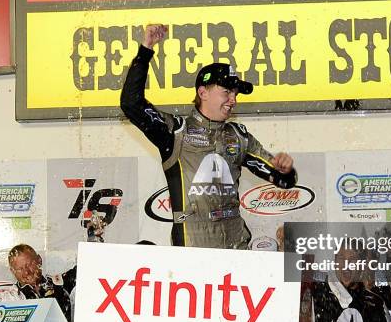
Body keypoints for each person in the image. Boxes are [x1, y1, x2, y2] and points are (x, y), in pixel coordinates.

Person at [120, 24, 298, 249]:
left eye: (235, 93)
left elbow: (285, 181)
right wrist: (145, 51)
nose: (233, 99)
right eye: (226, 92)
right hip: (194, 253)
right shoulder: (175, 131)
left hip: (237, 247)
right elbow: (131, 103)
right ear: (202, 92)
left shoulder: (239, 136)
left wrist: (286, 170)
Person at [0, 244, 74, 322]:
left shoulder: (60, 283)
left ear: (39, 260)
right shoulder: (8, 299)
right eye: (20, 269)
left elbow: (84, 268)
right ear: (13, 271)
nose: (26, 272)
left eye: (29, 264)